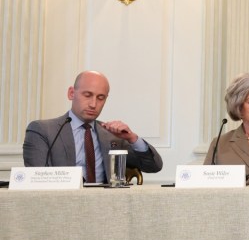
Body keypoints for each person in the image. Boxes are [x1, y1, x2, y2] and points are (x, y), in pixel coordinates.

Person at [23, 70, 163, 181]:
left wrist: (132, 138)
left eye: (100, 98)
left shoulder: (112, 135)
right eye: (87, 95)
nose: (93, 104)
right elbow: (36, 178)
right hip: (62, 203)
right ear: (71, 93)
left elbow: (153, 166)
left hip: (105, 204)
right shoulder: (43, 130)